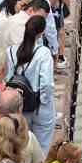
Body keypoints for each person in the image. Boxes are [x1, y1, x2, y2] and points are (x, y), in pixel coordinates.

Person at [11, 14, 56, 152]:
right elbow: (47, 84)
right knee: (42, 146)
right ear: (42, 32)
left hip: (19, 105)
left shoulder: (11, 50)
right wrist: (43, 101)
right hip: (39, 107)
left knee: (21, 146)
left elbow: (8, 78)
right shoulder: (43, 53)